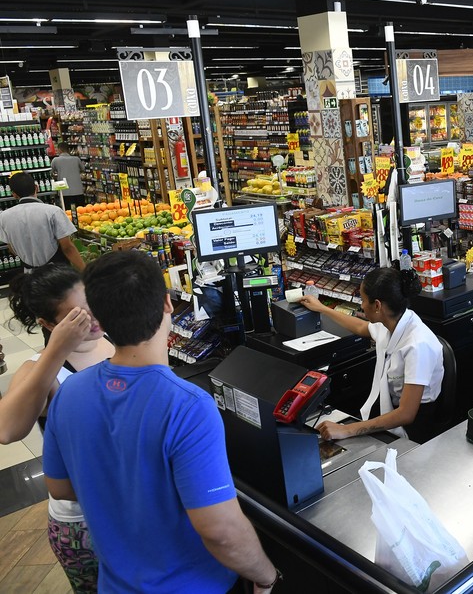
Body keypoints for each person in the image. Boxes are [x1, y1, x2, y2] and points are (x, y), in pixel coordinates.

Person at [43, 251, 278, 593]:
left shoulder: (70, 392)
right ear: (168, 304)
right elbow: (220, 530)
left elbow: (60, 488)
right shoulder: (188, 406)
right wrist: (266, 574)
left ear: (100, 318)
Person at [4, 265, 115, 592]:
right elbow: (7, 430)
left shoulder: (113, 341)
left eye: (93, 306)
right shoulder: (41, 370)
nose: (93, 320)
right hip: (83, 522)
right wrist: (56, 350)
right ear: (48, 324)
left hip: (130, 502)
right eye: (78, 317)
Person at [299, 266, 444, 443]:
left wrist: (346, 430)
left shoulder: (418, 345)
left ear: (377, 305)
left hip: (413, 431)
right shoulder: (392, 321)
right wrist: (323, 309)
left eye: (363, 299)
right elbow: (361, 327)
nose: (361, 305)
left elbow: (406, 414)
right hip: (389, 410)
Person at [0, 172, 85, 272]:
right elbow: (67, 248)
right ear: (36, 188)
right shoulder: (53, 212)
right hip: (57, 273)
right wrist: (85, 271)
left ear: (14, 194)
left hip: (30, 274)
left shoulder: (4, 217)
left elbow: (11, 248)